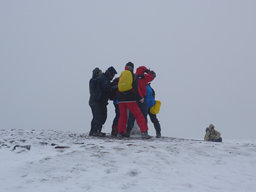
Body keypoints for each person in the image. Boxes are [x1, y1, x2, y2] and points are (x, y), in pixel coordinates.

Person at [117, 62, 152, 139]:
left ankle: (120, 133)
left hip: (121, 99)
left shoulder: (122, 75)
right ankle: (144, 132)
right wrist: (141, 97)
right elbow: (136, 88)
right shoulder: (133, 76)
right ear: (132, 68)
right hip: (130, 99)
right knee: (139, 115)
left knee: (122, 116)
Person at [124, 66, 156, 137]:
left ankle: (128, 131)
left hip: (134, 98)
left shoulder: (133, 77)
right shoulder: (144, 77)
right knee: (144, 115)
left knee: (132, 115)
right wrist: (148, 71)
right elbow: (153, 76)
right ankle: (144, 132)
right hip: (142, 98)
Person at [92, 66, 117, 137]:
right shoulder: (104, 79)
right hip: (100, 100)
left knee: (101, 116)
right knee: (100, 116)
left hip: (101, 100)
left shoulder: (104, 78)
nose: (112, 77)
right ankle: (96, 131)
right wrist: (114, 87)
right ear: (110, 74)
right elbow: (106, 88)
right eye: (112, 75)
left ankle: (95, 131)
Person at [88, 67, 102, 136]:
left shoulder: (92, 80)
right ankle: (95, 131)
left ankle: (93, 131)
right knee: (96, 116)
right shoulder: (93, 80)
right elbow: (96, 82)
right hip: (94, 101)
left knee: (95, 116)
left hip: (92, 101)